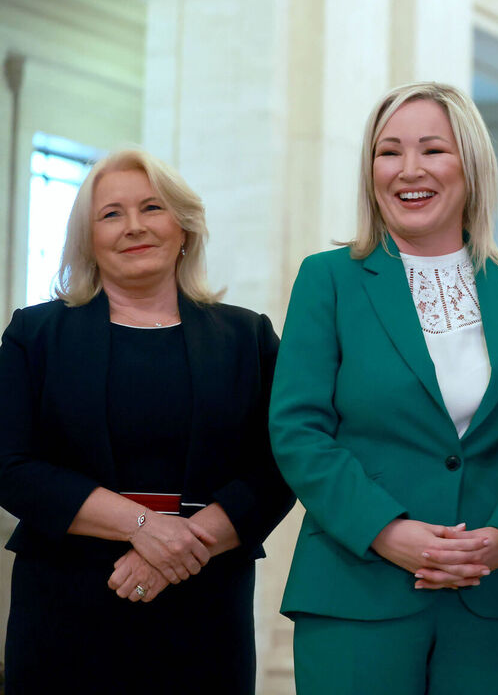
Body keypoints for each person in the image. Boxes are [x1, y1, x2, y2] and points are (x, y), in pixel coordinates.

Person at [269, 81, 498, 695]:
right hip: (359, 591)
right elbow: (298, 430)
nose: (408, 170)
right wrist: (388, 531)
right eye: (389, 152)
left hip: (497, 598)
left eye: (432, 150)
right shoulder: (328, 279)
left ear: (471, 166)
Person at [0, 149, 295, 694]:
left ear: (183, 227)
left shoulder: (246, 339)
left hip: (204, 600)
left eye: (152, 208)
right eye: (111, 214)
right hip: (66, 601)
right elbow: (10, 464)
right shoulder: (34, 335)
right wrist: (146, 529)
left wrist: (182, 546)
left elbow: (281, 463)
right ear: (87, 238)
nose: (134, 226)